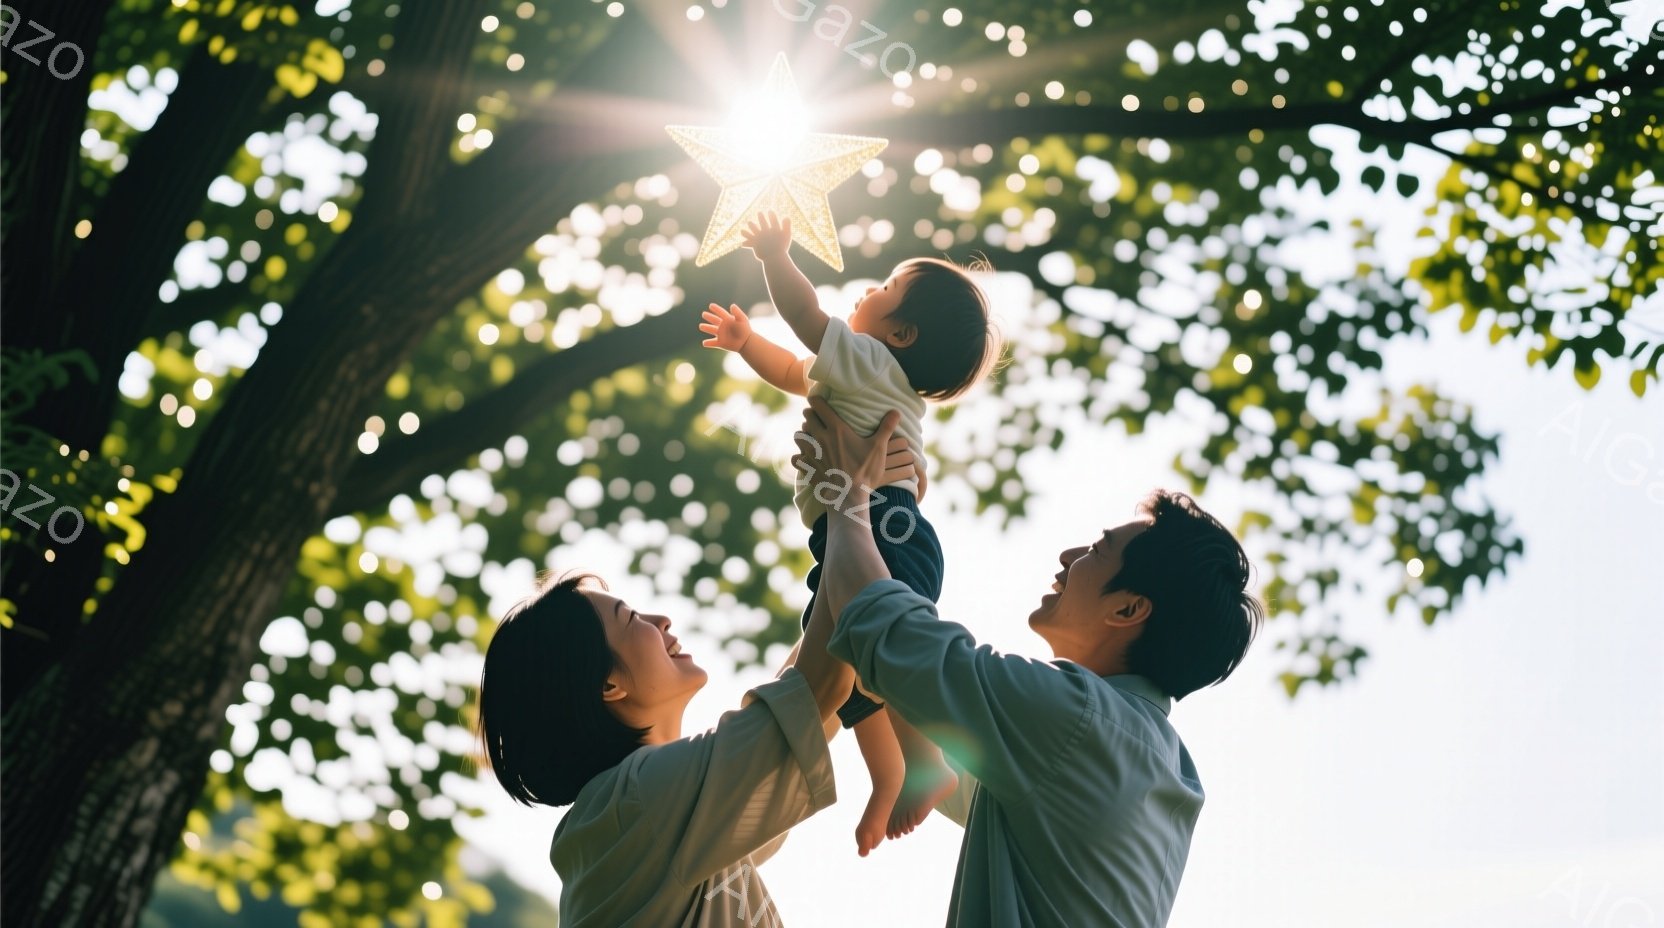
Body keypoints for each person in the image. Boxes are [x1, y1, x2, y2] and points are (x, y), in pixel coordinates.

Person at [793, 397, 1264, 927]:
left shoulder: (1078, 719)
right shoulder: (1164, 770)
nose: (1069, 556)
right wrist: (894, 515)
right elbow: (933, 726)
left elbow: (883, 630)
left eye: (1098, 550)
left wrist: (849, 492)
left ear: (1128, 609)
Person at [473, 425, 916, 927]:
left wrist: (860, 507)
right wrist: (850, 498)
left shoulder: (648, 814)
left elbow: (807, 689)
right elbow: (815, 692)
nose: (660, 621)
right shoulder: (641, 804)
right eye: (629, 619)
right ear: (607, 685)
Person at [699, 209, 1001, 855]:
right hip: (880, 530)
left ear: (902, 332)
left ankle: (918, 768)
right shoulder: (866, 372)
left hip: (880, 532)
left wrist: (774, 258)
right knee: (860, 657)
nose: (868, 289)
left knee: (861, 651)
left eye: (886, 288)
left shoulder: (866, 360)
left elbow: (806, 319)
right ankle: (899, 773)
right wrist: (748, 343)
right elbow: (790, 371)